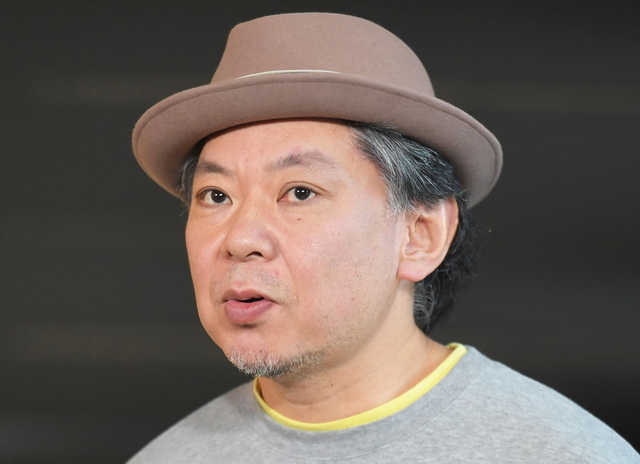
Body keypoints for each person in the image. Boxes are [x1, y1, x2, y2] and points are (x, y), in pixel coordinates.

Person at [127, 12, 639, 463]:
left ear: (420, 235)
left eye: (300, 192)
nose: (240, 239)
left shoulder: (561, 453)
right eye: (215, 195)